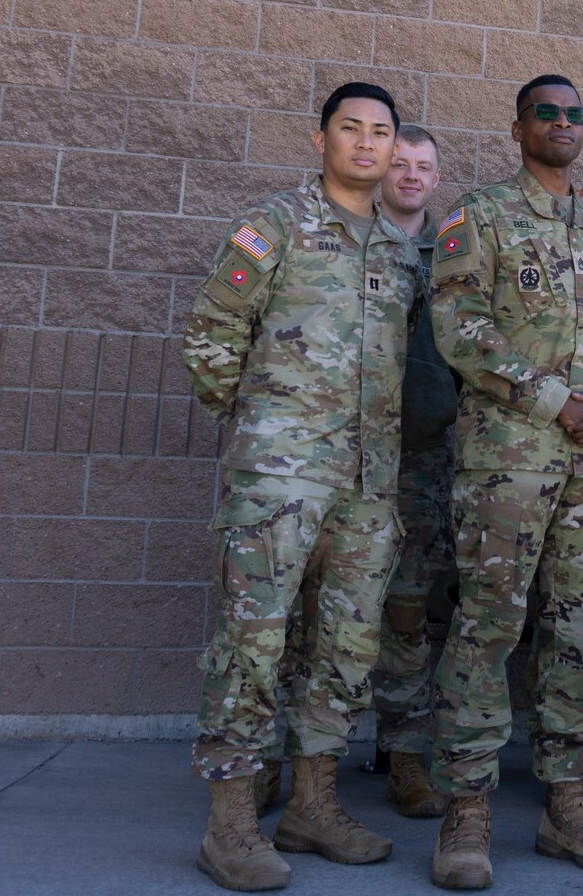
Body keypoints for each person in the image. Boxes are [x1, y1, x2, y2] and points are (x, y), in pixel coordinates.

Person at [183, 82, 420, 892]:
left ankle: (313, 804)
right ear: (320, 139)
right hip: (278, 480)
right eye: (350, 128)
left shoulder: (396, 249)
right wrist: (260, 430)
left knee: (347, 646)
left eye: (380, 132)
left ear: (394, 149)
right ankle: (231, 823)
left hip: (368, 486)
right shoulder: (275, 225)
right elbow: (212, 334)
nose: (366, 143)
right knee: (253, 643)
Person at [426, 76, 583, 889]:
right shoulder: (478, 215)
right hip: (509, 461)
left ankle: (567, 805)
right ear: (518, 125)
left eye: (575, 114)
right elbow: (459, 324)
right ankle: (468, 810)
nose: (562, 123)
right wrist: (557, 398)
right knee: (488, 627)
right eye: (546, 112)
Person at [369, 125, 459, 819]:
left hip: (423, 462)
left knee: (406, 608)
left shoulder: (455, 252)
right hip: (341, 454)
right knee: (313, 609)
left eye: (422, 166)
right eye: (400, 162)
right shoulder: (345, 239)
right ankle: (282, 755)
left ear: (435, 178)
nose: (410, 174)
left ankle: (405, 752)